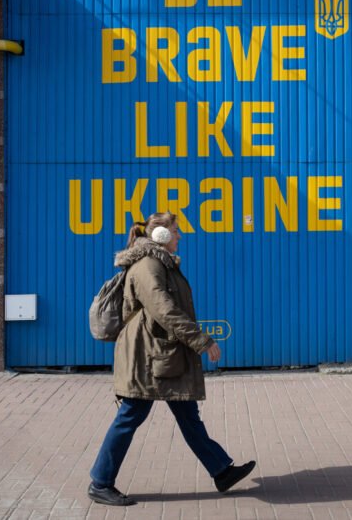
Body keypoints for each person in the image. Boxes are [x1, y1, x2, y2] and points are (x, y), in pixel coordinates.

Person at [88, 212, 256, 506]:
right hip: (147, 359)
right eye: (176, 231)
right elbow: (164, 309)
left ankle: (221, 471)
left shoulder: (161, 264)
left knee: (188, 416)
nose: (180, 236)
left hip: (164, 356)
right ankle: (100, 482)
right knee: (130, 416)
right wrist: (201, 340)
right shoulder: (148, 266)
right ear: (161, 236)